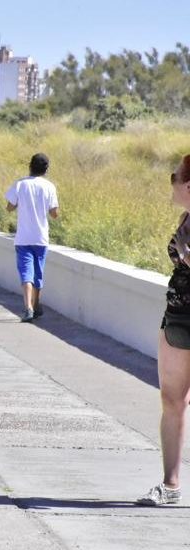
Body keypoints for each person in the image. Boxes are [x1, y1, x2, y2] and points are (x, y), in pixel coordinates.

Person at [137, 154, 190, 506]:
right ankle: (170, 485)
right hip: (179, 315)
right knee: (172, 400)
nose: (171, 182)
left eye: (175, 176)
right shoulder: (187, 219)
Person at [5, 153, 59, 322]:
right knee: (38, 273)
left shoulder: (20, 184)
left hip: (23, 238)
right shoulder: (49, 187)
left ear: (30, 166)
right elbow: (54, 213)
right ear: (46, 169)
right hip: (41, 238)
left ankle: (28, 306)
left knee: (26, 274)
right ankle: (36, 306)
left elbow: (9, 207)